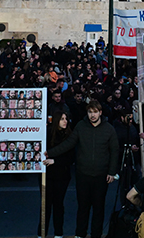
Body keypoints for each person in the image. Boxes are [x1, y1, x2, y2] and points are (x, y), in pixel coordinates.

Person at [46, 100, 118, 238]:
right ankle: (80, 234)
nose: (92, 115)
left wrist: (112, 172)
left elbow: (114, 151)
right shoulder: (81, 126)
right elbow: (69, 144)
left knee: (98, 208)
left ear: (100, 113)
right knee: (83, 208)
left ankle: (96, 235)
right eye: (90, 112)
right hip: (83, 174)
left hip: (101, 175)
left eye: (95, 112)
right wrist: (50, 153)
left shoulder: (109, 129)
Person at [38, 111, 74, 238]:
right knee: (46, 205)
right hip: (47, 174)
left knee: (58, 204)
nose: (65, 121)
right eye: (62, 119)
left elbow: (71, 157)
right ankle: (42, 233)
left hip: (62, 175)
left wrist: (55, 161)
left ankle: (58, 233)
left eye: (66, 118)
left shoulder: (70, 135)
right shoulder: (47, 134)